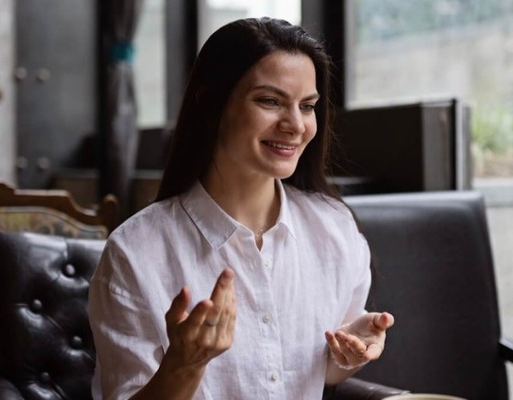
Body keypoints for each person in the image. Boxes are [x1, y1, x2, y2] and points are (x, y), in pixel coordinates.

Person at [88, 17, 395, 400]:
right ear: (210, 102)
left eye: (308, 106)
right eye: (270, 101)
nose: (296, 125)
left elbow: (323, 375)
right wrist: (184, 364)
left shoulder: (334, 228)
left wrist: (352, 351)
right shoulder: (136, 252)